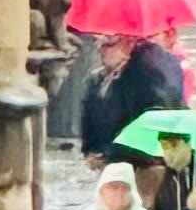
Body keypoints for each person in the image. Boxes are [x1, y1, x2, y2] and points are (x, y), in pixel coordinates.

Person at [70, 24, 185, 158]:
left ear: (128, 44)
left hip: (141, 158)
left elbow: (156, 125)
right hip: (115, 155)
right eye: (99, 42)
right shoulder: (97, 80)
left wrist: (109, 155)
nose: (101, 49)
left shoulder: (149, 69)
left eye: (110, 43)